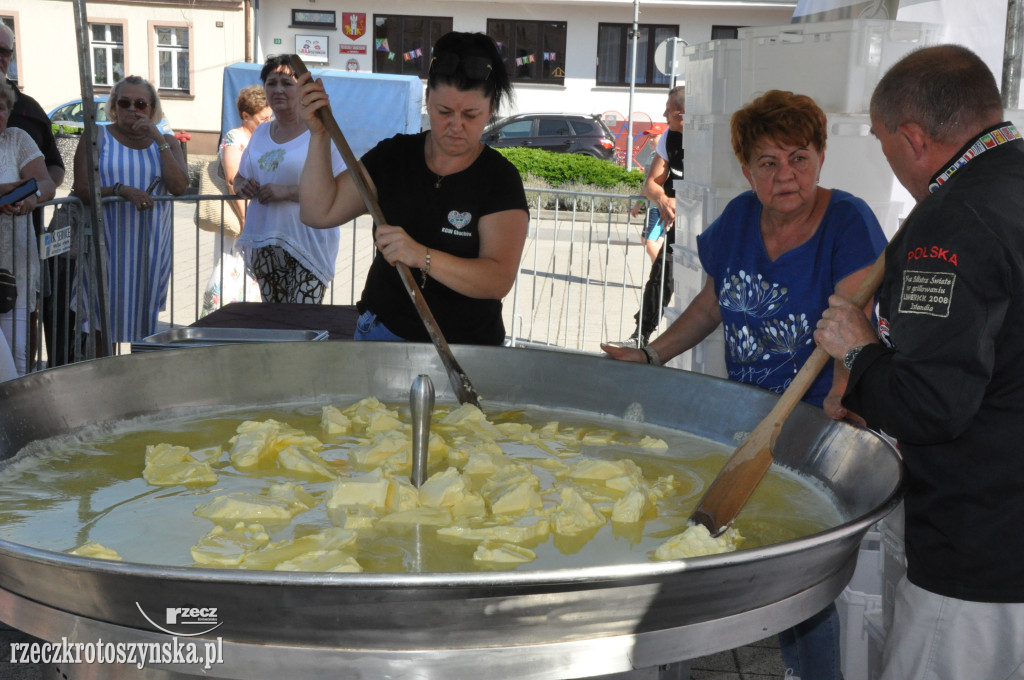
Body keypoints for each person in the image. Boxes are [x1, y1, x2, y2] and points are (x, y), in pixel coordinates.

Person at [603, 89, 888, 678]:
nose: (787, 176)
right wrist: (652, 355)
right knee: (698, 547)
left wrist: (841, 392)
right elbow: (713, 305)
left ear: (821, 156)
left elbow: (850, 317)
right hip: (749, 420)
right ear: (746, 168)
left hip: (813, 428)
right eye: (769, 162)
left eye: (800, 158)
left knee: (793, 583)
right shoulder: (737, 220)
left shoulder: (847, 221)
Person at [813, 45, 1024, 680]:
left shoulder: (951, 222)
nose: (890, 160)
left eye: (883, 144)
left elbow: (933, 404)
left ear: (913, 137)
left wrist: (858, 351)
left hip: (978, 555)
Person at [297, 31, 528, 345]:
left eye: (471, 114)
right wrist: (319, 136)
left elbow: (497, 279)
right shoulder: (394, 156)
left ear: (490, 110)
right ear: (428, 100)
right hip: (382, 334)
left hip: (466, 349)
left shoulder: (499, 179)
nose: (456, 125)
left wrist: (421, 255)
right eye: (444, 111)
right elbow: (318, 211)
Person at [71, 75, 189, 344]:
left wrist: (157, 136)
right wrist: (120, 190)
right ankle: (105, 378)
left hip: (150, 248)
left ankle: (137, 381)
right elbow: (81, 189)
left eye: (140, 103)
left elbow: (180, 186)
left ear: (152, 108)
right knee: (102, 318)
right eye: (124, 103)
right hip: (106, 244)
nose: (132, 109)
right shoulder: (96, 136)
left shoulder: (167, 141)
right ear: (114, 106)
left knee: (144, 321)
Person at [233, 55, 345, 304]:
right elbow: (240, 177)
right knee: (276, 322)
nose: (278, 90)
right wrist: (243, 185)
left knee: (302, 321)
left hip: (307, 242)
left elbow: (337, 188)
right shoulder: (261, 132)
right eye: (271, 83)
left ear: (302, 89)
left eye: (287, 83)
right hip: (266, 239)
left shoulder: (321, 131)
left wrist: (285, 191)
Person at [0, 24, 68, 366]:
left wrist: (33, 197)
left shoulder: (23, 123)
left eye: (4, 51)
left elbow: (51, 174)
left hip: (16, 254)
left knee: (18, 352)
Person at [0, 79, 57, 375]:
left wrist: (31, 197)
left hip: (15, 266)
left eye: (1, 107)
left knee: (17, 359)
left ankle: (14, 420)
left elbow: (46, 181)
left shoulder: (17, 139)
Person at [200, 84, 270, 316]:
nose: (267, 122)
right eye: (262, 118)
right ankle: (222, 319)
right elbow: (232, 180)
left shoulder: (263, 137)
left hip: (258, 216)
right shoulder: (235, 137)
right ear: (245, 116)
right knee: (232, 269)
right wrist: (245, 221)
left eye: (270, 117)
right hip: (241, 218)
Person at [629, 86, 684, 346]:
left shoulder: (712, 140)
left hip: (712, 225)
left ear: (683, 114)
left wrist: (680, 202)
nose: (663, 115)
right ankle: (641, 335)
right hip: (679, 227)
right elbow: (651, 184)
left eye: (668, 110)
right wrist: (663, 198)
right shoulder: (668, 138)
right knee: (662, 274)